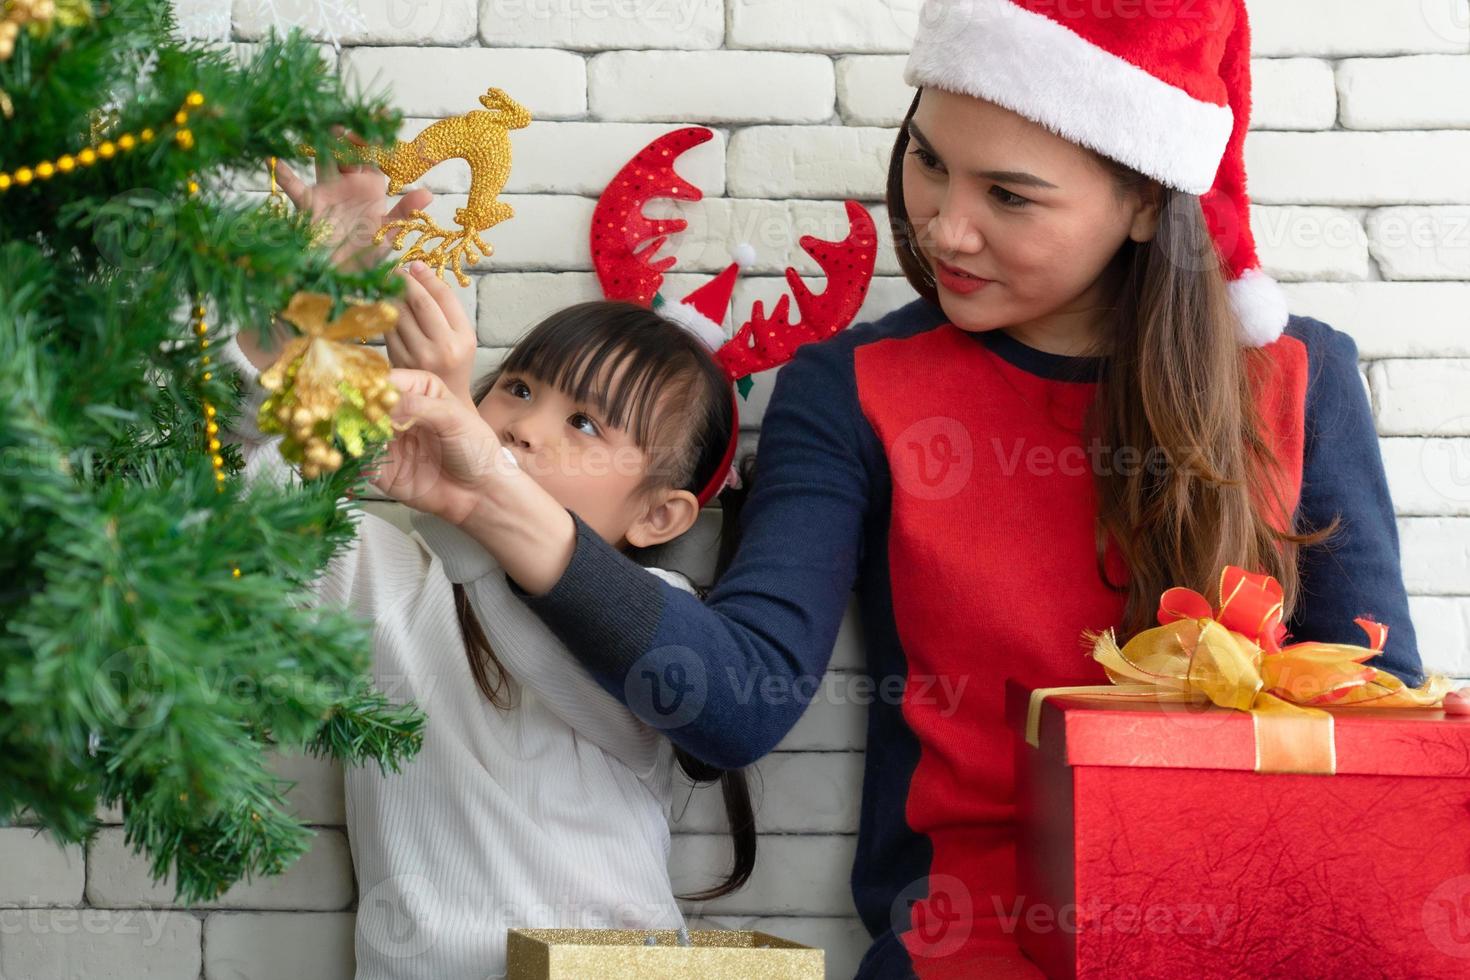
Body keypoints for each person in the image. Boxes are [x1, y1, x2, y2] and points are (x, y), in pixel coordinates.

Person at [365, 1, 1432, 974]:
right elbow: (731, 705)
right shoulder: (854, 388)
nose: (942, 225)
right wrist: (484, 490)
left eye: (1009, 196)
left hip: (1268, 943)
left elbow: (1386, 747)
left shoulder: (1299, 379)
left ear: (1147, 201)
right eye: (928, 161)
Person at [222, 262, 758, 975]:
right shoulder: (388, 581)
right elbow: (241, 488)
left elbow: (532, 637)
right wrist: (312, 277)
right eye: (518, 388)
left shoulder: (657, 612)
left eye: (584, 423)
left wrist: (467, 490)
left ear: (658, 514)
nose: (524, 427)